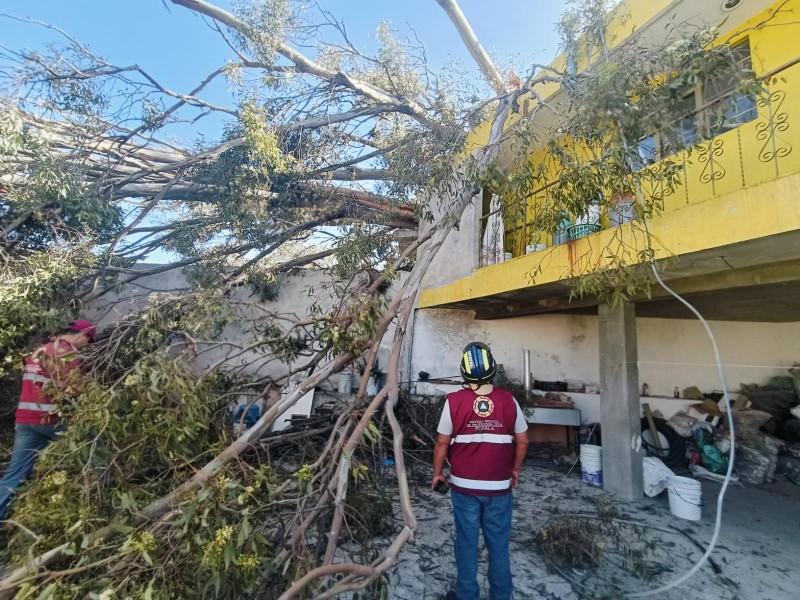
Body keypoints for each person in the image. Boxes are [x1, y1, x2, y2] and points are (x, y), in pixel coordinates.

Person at [432, 341, 529, 600]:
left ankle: (467, 595)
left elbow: (442, 442)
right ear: (493, 369)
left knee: (466, 542)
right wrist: (514, 469)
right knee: (498, 545)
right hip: (500, 487)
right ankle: (501, 595)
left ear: (463, 372)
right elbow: (522, 441)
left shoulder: (453, 402)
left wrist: (437, 473)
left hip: (464, 488)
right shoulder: (509, 400)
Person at [0, 320, 96, 521]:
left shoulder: (40, 350)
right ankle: (96, 497)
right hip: (51, 419)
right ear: (83, 335)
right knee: (95, 441)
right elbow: (77, 387)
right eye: (89, 340)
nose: (87, 345)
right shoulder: (66, 352)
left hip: (26, 421)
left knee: (15, 474)